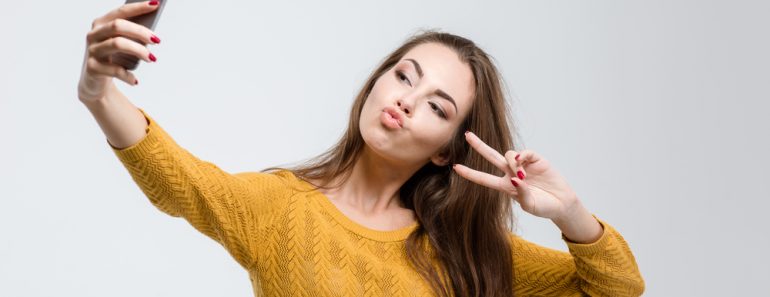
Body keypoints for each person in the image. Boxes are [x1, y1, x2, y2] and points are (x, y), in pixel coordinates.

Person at [78, 1, 645, 296]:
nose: (406, 100)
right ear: (377, 81)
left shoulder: (466, 252)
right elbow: (182, 183)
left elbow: (618, 289)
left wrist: (570, 214)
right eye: (405, 76)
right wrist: (97, 91)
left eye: (437, 106)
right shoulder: (281, 209)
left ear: (447, 152)